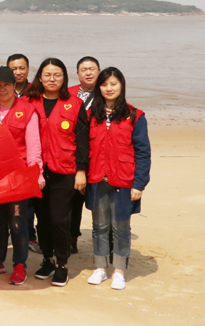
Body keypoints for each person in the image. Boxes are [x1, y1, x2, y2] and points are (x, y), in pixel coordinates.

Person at [0, 67, 44, 286]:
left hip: (18, 175)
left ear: (14, 86)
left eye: (6, 85)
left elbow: (34, 146)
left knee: (17, 221)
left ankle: (20, 264)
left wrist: (38, 174)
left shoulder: (28, 110)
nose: (2, 89)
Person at [25, 57, 90, 287]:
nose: (52, 79)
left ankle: (62, 264)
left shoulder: (75, 104)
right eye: (47, 75)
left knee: (59, 219)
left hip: (65, 170)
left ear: (64, 78)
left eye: (57, 75)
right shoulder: (28, 102)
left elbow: (83, 141)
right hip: (36, 172)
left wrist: (81, 171)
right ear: (40, 77)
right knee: (42, 219)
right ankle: (48, 260)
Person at [85, 68, 151, 290]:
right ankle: (100, 268)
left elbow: (143, 152)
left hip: (123, 180)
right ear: (99, 88)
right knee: (99, 226)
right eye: (104, 84)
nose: (109, 88)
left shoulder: (135, 115)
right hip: (97, 179)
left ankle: (119, 271)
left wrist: (139, 183)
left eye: (113, 84)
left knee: (121, 227)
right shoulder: (91, 114)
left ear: (121, 85)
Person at [7, 53, 40, 254]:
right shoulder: (1, 91)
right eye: (13, 68)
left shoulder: (36, 92)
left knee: (29, 201)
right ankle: (7, 237)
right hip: (7, 156)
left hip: (31, 153)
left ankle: (30, 236)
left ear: (28, 70)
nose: (18, 72)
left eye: (22, 68)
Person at [69, 56, 101, 253]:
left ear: (99, 71)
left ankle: (105, 240)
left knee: (99, 200)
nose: (88, 72)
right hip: (74, 154)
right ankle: (71, 238)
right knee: (73, 199)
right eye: (84, 69)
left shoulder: (107, 92)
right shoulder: (69, 93)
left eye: (92, 69)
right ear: (77, 74)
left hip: (98, 154)